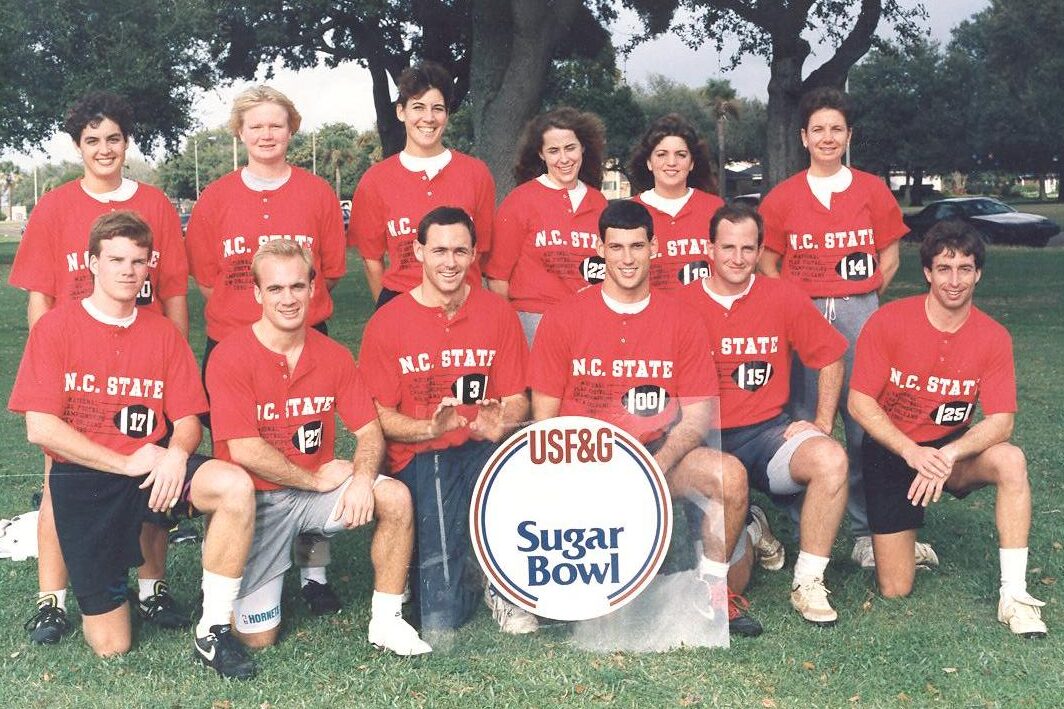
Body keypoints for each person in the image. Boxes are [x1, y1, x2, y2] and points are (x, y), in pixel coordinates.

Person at [8, 211, 257, 678]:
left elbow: (187, 421)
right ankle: (105, 591)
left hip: (151, 469)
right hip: (86, 479)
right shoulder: (56, 328)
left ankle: (214, 629)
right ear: (92, 263)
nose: (128, 270)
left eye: (138, 261)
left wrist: (177, 453)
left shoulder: (162, 332)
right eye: (117, 259)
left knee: (235, 486)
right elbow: (40, 427)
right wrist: (123, 463)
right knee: (112, 645)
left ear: (149, 269)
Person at [528, 200, 761, 637]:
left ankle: (710, 593)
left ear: (654, 247)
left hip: (657, 453)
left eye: (637, 246)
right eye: (616, 247)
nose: (628, 258)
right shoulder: (563, 317)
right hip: (588, 455)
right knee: (604, 619)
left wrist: (657, 464)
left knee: (729, 477)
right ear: (600, 249)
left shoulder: (681, 318)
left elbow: (695, 417)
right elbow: (546, 419)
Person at [9, 91, 190, 644]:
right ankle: (51, 599)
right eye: (92, 140)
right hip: (74, 368)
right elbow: (40, 298)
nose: (104, 148)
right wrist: (48, 371)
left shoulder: (156, 203)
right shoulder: (56, 206)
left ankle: (153, 586)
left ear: (126, 141)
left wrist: (172, 368)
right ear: (77, 145)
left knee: (153, 474)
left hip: (144, 360)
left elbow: (176, 294)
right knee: (58, 477)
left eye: (113, 138)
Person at [206, 240, 431, 655]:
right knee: (257, 639)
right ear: (257, 294)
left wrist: (363, 480)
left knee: (395, 496)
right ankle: (237, 554)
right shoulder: (229, 356)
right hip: (258, 503)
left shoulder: (334, 355)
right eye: (275, 289)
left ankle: (387, 621)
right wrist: (313, 480)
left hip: (313, 494)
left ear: (313, 289)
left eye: (297, 286)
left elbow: (368, 431)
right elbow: (244, 449)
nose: (288, 299)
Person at [185, 85, 348, 615]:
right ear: (240, 132)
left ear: (291, 130)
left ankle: (314, 571)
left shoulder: (317, 193)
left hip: (305, 340)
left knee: (311, 448)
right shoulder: (215, 197)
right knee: (236, 455)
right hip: (234, 346)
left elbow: (330, 272)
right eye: (255, 126)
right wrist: (249, 324)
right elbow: (211, 280)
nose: (266, 134)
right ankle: (237, 557)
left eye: (276, 124)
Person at [757, 87, 936, 570]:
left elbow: (891, 254)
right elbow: (768, 263)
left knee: (864, 419)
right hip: (803, 315)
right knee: (801, 419)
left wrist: (864, 293)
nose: (828, 137)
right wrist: (796, 309)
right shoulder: (782, 197)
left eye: (837, 128)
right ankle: (801, 525)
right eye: (818, 129)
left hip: (859, 310)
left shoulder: (871, 189)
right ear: (804, 137)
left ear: (849, 135)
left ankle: (864, 531)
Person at [849, 220, 1047, 638]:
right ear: (927, 272)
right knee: (896, 588)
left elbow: (1001, 421)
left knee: (1011, 459)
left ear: (978, 273)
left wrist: (947, 454)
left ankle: (1014, 594)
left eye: (964, 268)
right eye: (944, 268)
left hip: (949, 450)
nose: (954, 280)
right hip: (894, 448)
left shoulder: (993, 336)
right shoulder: (889, 321)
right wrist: (912, 452)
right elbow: (859, 402)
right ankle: (907, 544)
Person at [359, 206, 529, 633]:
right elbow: (376, 414)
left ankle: (505, 585)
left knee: (515, 482)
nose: (449, 262)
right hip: (420, 454)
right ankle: (449, 569)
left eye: (459, 251)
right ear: (418, 252)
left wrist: (500, 421)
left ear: (474, 255)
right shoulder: (388, 321)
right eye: (438, 251)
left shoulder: (497, 314)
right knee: (442, 617)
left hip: (480, 448)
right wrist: (428, 429)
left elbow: (516, 399)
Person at [680, 203, 849, 625]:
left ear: (759, 252)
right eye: (728, 247)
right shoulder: (677, 305)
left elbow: (830, 356)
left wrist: (823, 423)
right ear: (709, 249)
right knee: (731, 583)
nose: (737, 258)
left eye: (748, 248)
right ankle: (752, 529)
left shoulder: (782, 295)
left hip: (764, 435)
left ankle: (808, 581)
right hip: (703, 442)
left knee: (831, 458)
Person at [348, 61, 496, 308]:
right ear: (401, 112)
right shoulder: (375, 180)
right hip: (402, 303)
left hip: (463, 303)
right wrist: (390, 311)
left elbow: (480, 250)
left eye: (437, 108)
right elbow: (371, 259)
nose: (428, 118)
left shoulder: (475, 173)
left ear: (447, 113)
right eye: (418, 107)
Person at [483, 107, 608, 344]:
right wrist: (511, 334)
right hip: (532, 323)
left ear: (583, 147)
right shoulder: (520, 201)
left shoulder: (599, 203)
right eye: (553, 150)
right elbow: (498, 278)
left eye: (570, 148)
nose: (564, 159)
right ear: (541, 154)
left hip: (588, 322)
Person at [628, 113, 724, 291]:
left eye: (681, 155)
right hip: (650, 316)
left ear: (692, 162)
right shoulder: (631, 211)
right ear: (649, 162)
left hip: (704, 315)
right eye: (662, 154)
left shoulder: (714, 208)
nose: (671, 162)